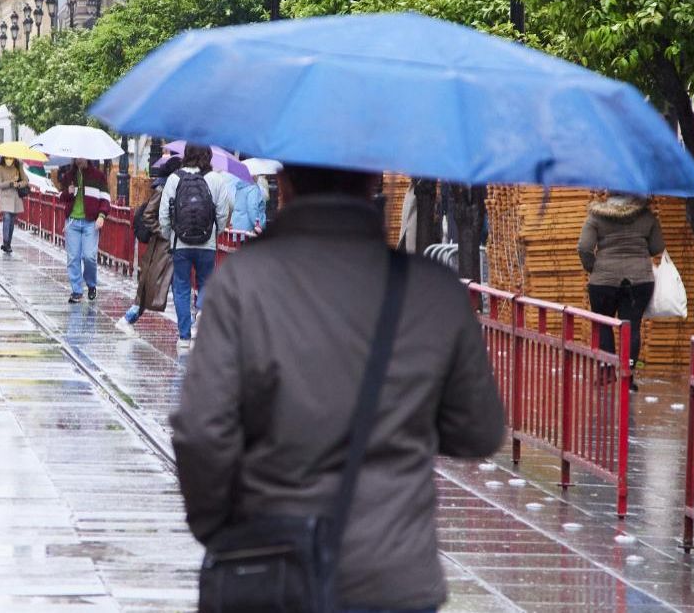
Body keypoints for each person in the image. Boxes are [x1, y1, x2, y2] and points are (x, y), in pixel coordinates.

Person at [170, 164, 507, 613]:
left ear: (285, 185)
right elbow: (478, 431)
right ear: (372, 183)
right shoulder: (433, 291)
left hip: (273, 569)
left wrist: (220, 529)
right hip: (393, 575)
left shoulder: (244, 282)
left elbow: (201, 430)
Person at [578, 193, 665, 384]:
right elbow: (657, 246)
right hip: (639, 280)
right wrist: (639, 253)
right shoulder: (647, 216)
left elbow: (584, 247)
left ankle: (607, 372)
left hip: (603, 281)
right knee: (632, 327)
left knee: (603, 325)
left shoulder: (597, 216)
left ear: (609, 192)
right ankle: (629, 372)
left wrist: (594, 267)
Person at [158, 144, 232, 347]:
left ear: (186, 154)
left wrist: (169, 235)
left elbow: (164, 214)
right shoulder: (216, 179)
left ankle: (183, 336)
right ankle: (201, 309)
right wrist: (217, 232)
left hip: (180, 243)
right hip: (207, 243)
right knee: (206, 283)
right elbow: (223, 212)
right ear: (208, 155)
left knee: (181, 287)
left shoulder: (174, 179)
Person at [116, 158, 178, 334]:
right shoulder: (164, 189)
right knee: (149, 287)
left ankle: (188, 330)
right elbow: (149, 215)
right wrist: (163, 231)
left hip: (169, 245)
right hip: (162, 246)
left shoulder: (170, 187)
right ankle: (129, 317)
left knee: (158, 286)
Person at [59, 158, 111, 304]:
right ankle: (76, 291)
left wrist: (101, 216)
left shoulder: (98, 176)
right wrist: (68, 193)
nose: (78, 160)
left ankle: (91, 284)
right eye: (76, 157)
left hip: (91, 223)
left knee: (89, 256)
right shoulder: (68, 176)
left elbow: (106, 199)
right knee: (73, 257)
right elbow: (61, 197)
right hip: (73, 222)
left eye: (81, 156)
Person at [0, 156, 29, 253]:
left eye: (11, 158)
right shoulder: (0, 168)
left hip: (15, 198)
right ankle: (5, 242)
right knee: (6, 217)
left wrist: (18, 184)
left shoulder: (18, 167)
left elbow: (25, 181)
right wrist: (10, 182)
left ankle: (8, 242)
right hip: (5, 197)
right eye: (7, 158)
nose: (9, 160)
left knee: (11, 221)